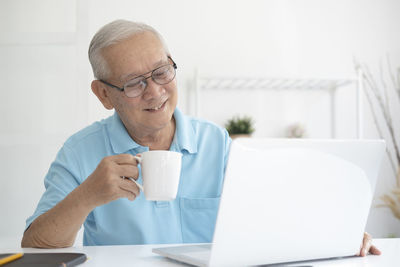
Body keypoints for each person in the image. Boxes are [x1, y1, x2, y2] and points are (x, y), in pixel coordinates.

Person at [21, 20, 380, 257]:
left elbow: (273, 216)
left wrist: (337, 233)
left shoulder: (216, 142)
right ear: (103, 94)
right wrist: (87, 196)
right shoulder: (80, 152)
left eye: (162, 72)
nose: (155, 92)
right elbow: (35, 245)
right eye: (134, 83)